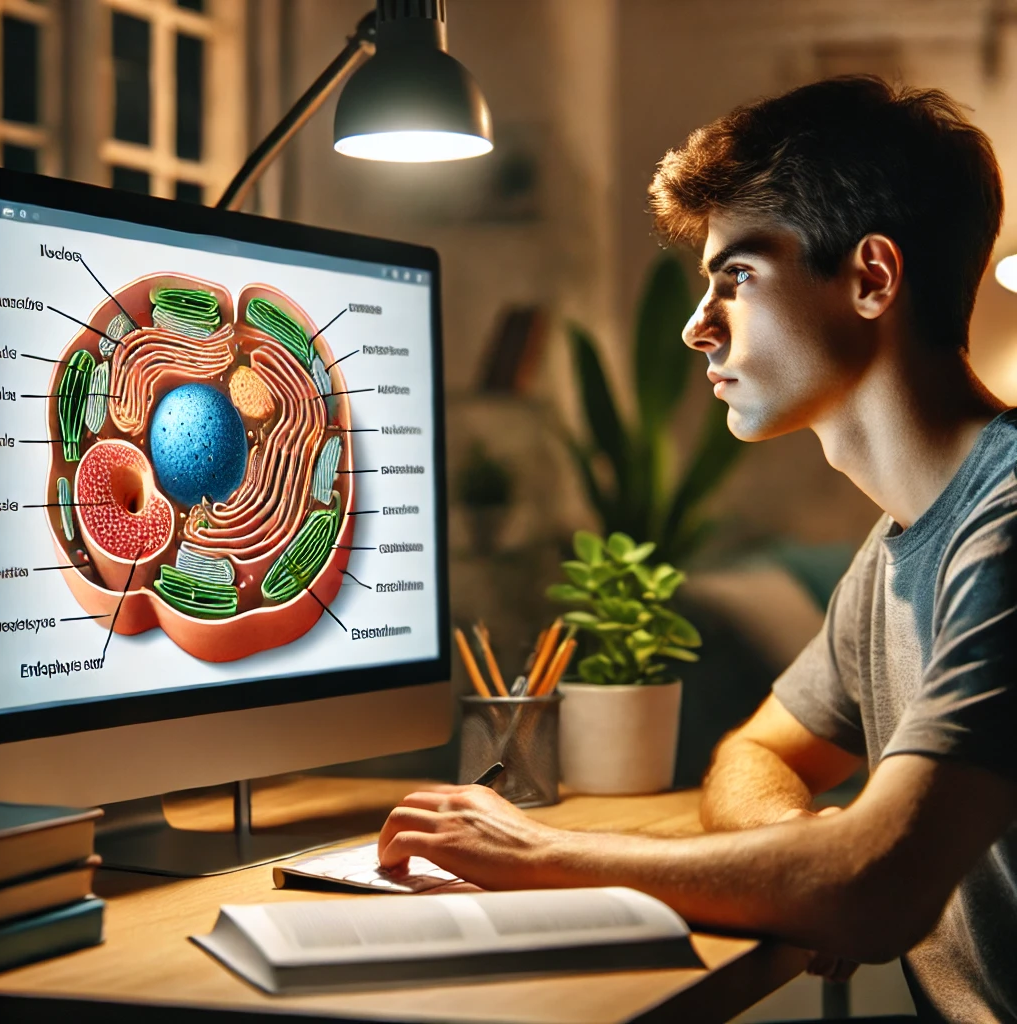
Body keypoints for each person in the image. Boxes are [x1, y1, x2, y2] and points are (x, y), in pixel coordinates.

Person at [377, 77, 1017, 1022]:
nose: (695, 326)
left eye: (737, 279)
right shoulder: (896, 549)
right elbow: (759, 753)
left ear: (873, 279)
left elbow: (875, 890)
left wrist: (535, 857)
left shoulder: (1003, 530)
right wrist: (796, 860)